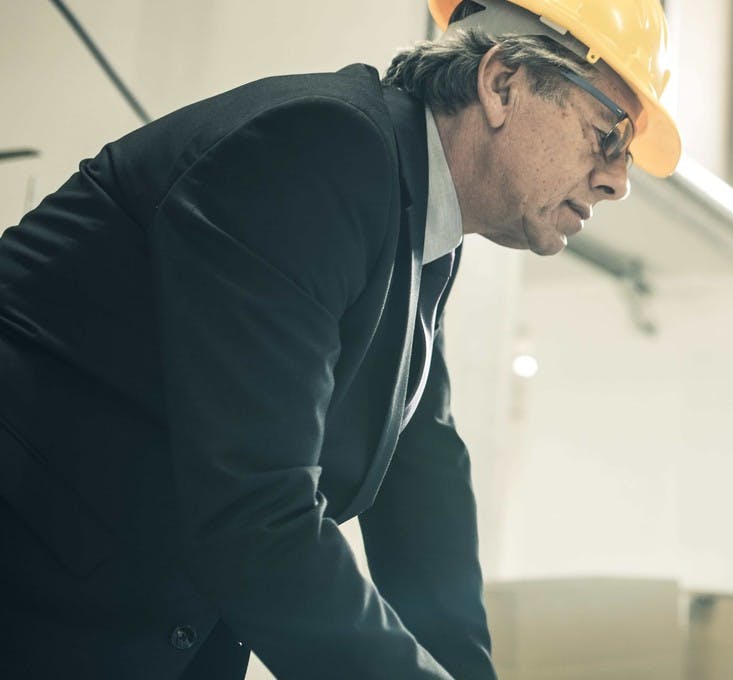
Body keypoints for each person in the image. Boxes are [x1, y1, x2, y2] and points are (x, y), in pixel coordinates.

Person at [0, 0, 680, 677]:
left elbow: (423, 484)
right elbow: (259, 517)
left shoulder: (422, 233)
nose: (618, 180)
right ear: (502, 84)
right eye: (608, 134)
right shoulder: (319, 150)